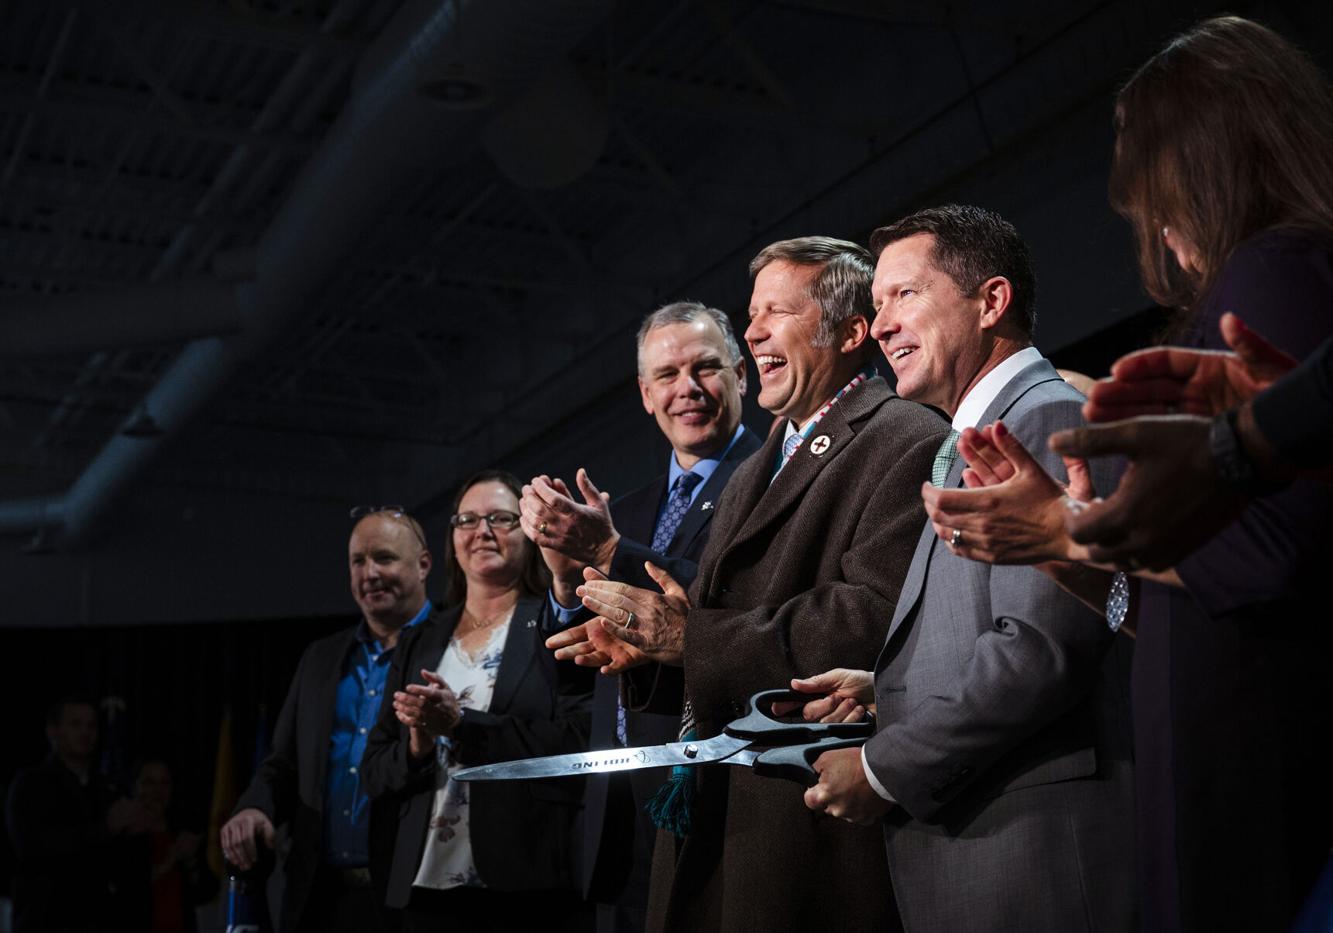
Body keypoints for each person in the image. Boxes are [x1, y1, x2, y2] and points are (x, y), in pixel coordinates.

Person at [918, 18, 1333, 931]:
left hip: (1268, 791)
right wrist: (1059, 544)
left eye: (1143, 176)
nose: (1140, 213)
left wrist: (1068, 527)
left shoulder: (1276, 271)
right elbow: (1177, 601)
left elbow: (1276, 553)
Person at [575, 236, 949, 933]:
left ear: (849, 330)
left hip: (804, 827)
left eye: (775, 311)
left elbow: (875, 618)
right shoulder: (757, 464)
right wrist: (652, 655)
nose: (751, 332)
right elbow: (720, 621)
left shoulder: (904, 437)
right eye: (752, 314)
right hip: (721, 812)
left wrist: (690, 636)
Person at [796, 205, 1136, 932]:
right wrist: (891, 684)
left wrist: (885, 768)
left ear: (990, 301)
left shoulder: (1042, 419)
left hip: (1034, 860)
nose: (881, 323)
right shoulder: (974, 436)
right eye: (876, 302)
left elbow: (1039, 651)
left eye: (904, 295)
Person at [526, 301, 761, 933]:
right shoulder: (621, 510)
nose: (687, 388)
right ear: (644, 393)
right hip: (620, 809)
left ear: (741, 375)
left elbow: (738, 613)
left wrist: (605, 552)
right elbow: (569, 686)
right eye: (667, 374)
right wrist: (561, 579)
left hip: (715, 798)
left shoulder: (775, 481)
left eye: (705, 367)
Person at [361, 470, 593, 932]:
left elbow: (577, 741)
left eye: (500, 519)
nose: (482, 531)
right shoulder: (419, 641)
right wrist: (417, 745)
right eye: (467, 519)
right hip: (423, 887)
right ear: (452, 539)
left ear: (528, 535)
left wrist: (463, 724)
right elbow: (373, 769)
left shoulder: (555, 625)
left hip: (522, 891)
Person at [221, 506, 435, 933]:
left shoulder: (451, 645)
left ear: (424, 564)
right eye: (358, 561)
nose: (369, 573)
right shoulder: (320, 659)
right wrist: (254, 808)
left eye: (385, 558)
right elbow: (282, 764)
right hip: (319, 902)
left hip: (415, 902)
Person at [5, 697, 147, 933]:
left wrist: (132, 833)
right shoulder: (31, 784)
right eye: (76, 724)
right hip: (45, 920)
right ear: (53, 731)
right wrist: (105, 829)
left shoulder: (106, 789)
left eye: (91, 726)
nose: (85, 732)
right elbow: (33, 849)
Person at [121, 758, 216, 933]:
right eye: (149, 782)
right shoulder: (123, 834)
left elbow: (207, 892)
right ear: (135, 787)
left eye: (165, 783)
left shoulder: (180, 830)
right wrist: (170, 860)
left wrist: (192, 862)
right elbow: (125, 894)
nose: (158, 791)